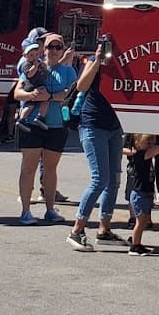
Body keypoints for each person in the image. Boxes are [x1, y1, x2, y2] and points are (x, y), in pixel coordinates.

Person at [66, 44, 126, 251]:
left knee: (113, 180)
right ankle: (76, 230)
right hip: (93, 124)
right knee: (100, 178)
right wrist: (98, 60)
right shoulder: (94, 60)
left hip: (115, 125)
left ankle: (104, 229)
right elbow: (82, 86)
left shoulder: (128, 62)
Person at [13, 35, 76, 226]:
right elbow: (17, 92)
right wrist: (31, 95)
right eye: (50, 47)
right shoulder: (34, 66)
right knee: (29, 167)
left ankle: (50, 209)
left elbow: (71, 94)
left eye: (58, 47)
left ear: (63, 50)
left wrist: (50, 97)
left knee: (50, 169)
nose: (54, 51)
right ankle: (25, 211)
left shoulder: (68, 71)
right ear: (44, 50)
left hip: (56, 125)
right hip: (31, 125)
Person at [126, 134, 159, 253]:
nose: (150, 145)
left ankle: (135, 239)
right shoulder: (140, 155)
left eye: (152, 142)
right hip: (140, 194)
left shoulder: (146, 155)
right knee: (140, 222)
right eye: (147, 143)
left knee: (143, 221)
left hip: (145, 193)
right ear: (137, 143)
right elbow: (153, 152)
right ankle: (135, 246)